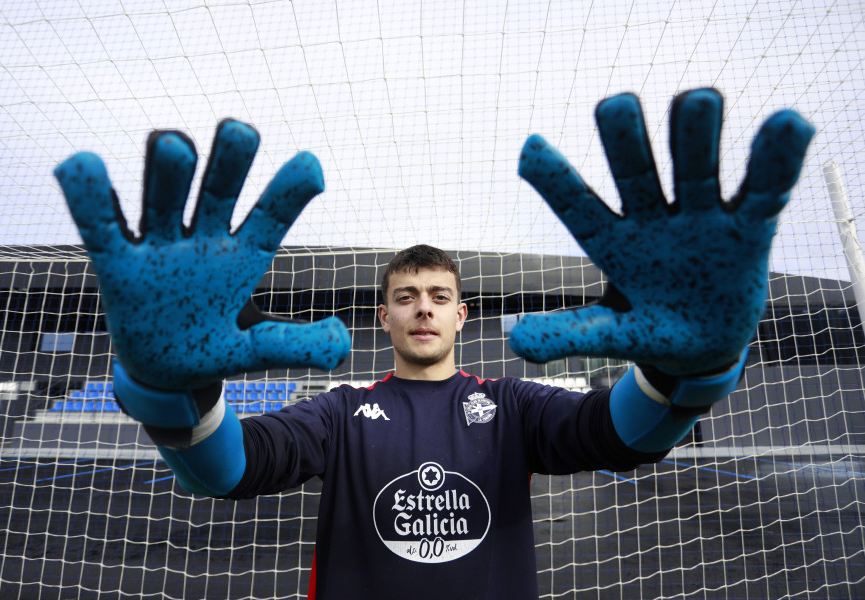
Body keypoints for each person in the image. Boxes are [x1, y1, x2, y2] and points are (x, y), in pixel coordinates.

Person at [54, 88, 814, 599]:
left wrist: (695, 374)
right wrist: (169, 392)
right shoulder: (339, 412)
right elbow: (225, 473)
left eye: (440, 297)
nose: (423, 309)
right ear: (383, 318)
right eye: (406, 297)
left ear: (462, 316)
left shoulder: (510, 406)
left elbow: (616, 437)